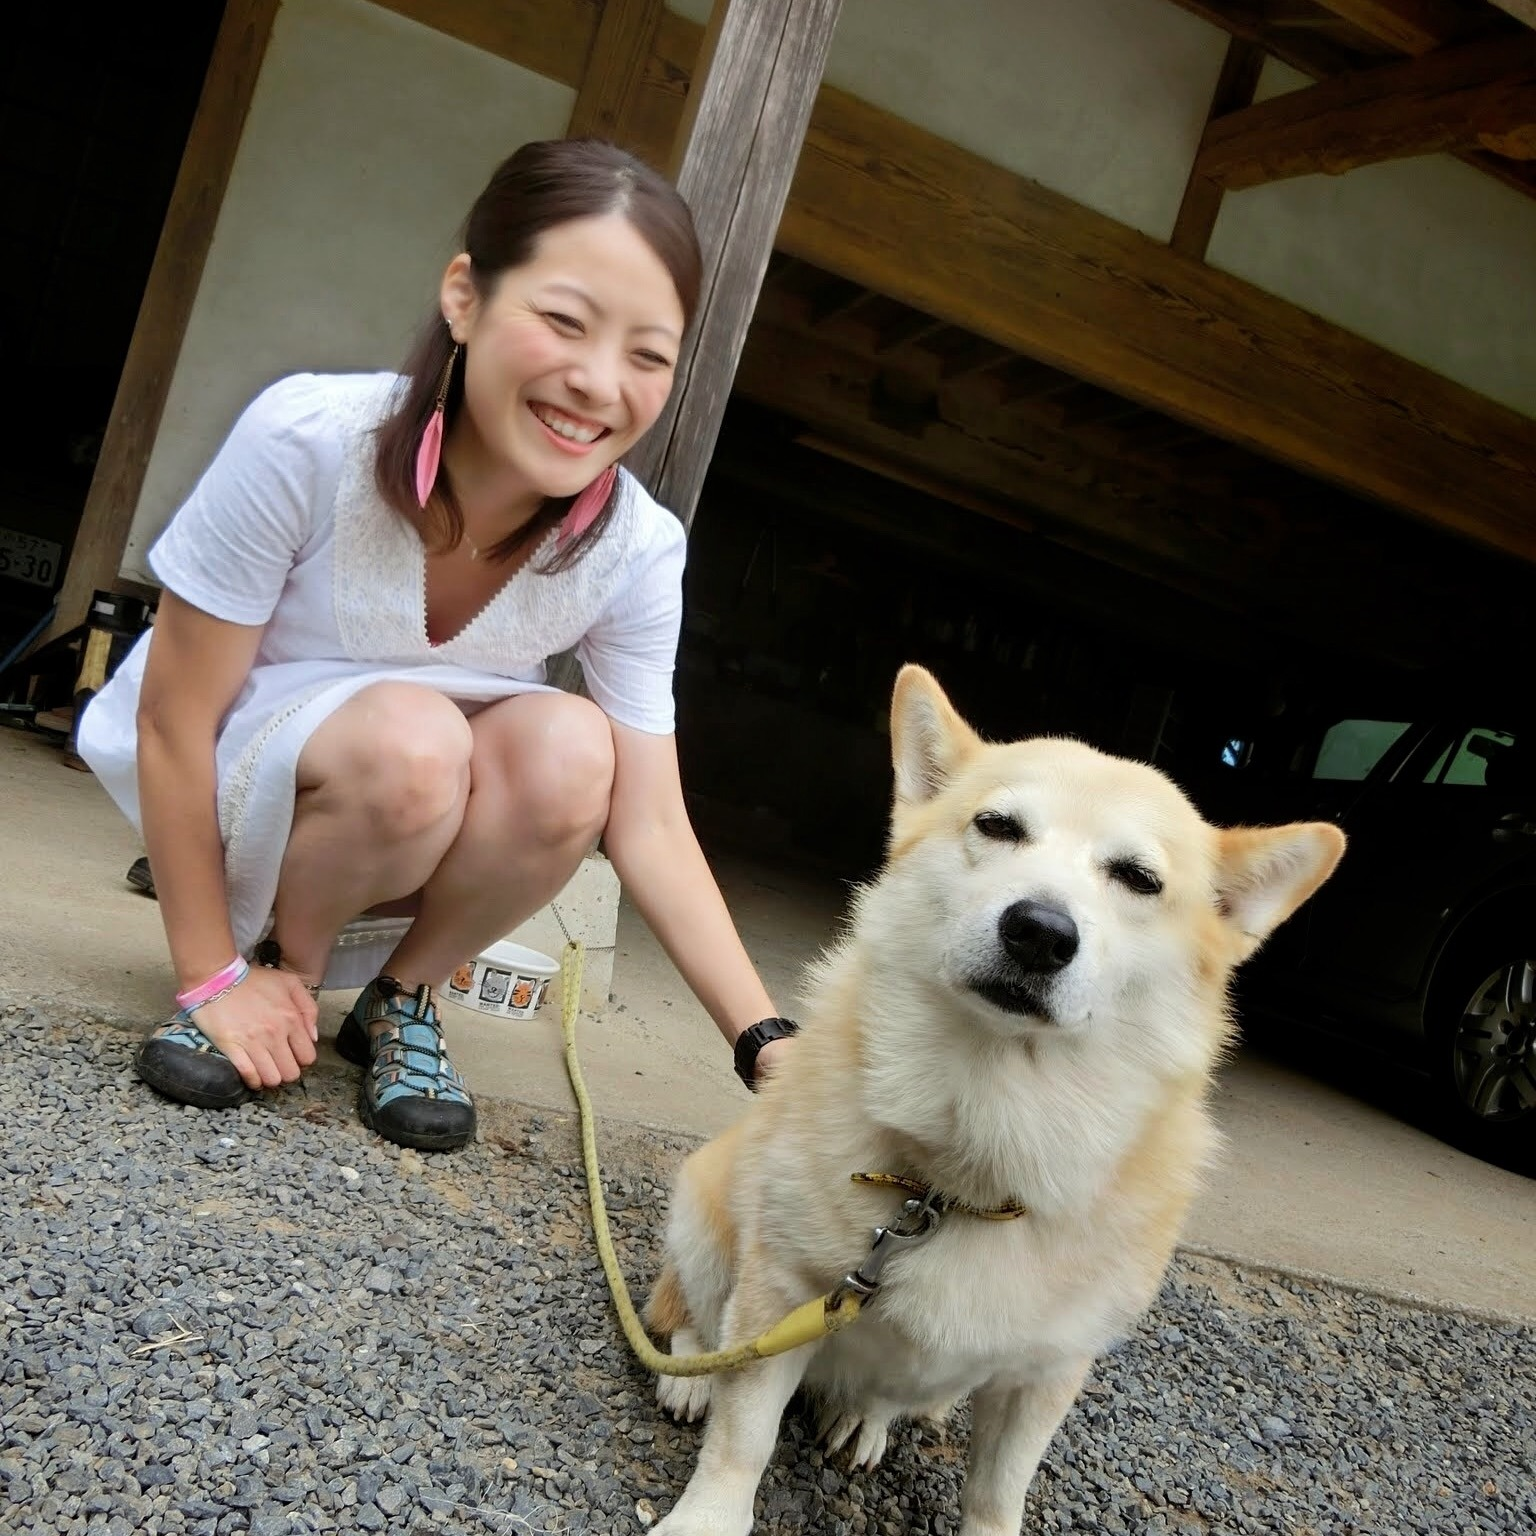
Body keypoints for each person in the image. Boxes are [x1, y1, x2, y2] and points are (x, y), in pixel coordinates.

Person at [78, 138, 799, 1153]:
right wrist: (208, 975)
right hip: (266, 788)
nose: (599, 384)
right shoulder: (309, 440)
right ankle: (275, 966)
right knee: (414, 741)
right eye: (563, 321)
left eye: (648, 355)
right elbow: (173, 716)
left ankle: (400, 999)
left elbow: (651, 821)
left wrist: (765, 1040)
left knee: (576, 747)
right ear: (465, 295)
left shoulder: (637, 546)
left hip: (428, 807)